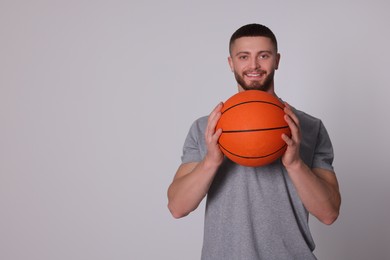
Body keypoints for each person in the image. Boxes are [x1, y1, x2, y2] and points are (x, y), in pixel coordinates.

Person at [167, 23, 341, 260]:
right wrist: (210, 161)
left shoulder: (309, 127)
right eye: (243, 57)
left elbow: (329, 213)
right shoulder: (205, 128)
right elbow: (177, 207)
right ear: (231, 63)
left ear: (277, 60)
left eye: (264, 56)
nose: (254, 65)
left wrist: (295, 164)